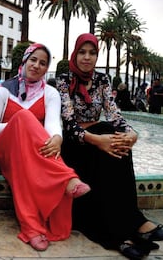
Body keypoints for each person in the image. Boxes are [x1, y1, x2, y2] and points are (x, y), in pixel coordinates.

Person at [57, 33, 163, 260]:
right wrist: (98, 140)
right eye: (82, 52)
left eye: (92, 53)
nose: (87, 57)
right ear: (75, 54)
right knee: (108, 137)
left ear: (97, 56)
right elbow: (68, 123)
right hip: (76, 143)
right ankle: (118, 231)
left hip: (99, 137)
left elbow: (113, 114)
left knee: (119, 139)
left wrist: (131, 133)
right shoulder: (64, 80)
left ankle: (134, 219)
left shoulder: (103, 80)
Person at [0, 43, 90, 252]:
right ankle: (67, 178)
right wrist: (19, 125)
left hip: (33, 149)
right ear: (24, 61)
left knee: (31, 162)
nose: (37, 66)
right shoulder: (3, 91)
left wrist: (57, 138)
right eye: (33, 60)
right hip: (6, 148)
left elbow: (51, 124)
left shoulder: (50, 93)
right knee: (23, 117)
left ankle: (33, 228)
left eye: (43, 63)